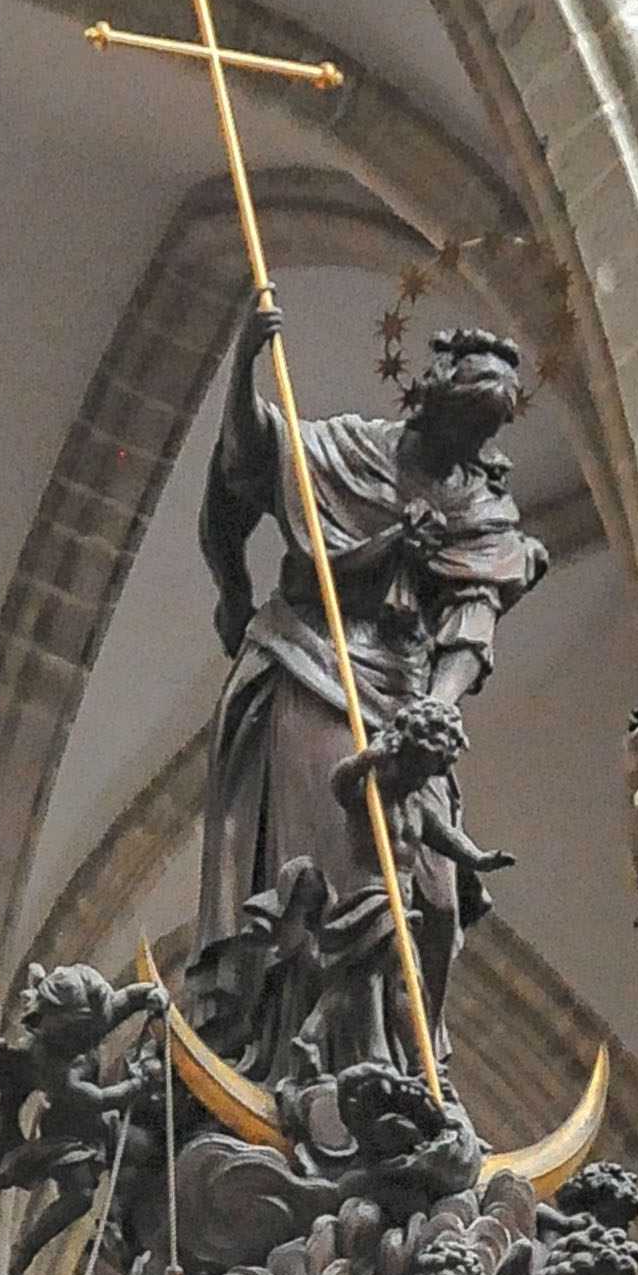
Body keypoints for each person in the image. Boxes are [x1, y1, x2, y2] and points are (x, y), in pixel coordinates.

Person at [194, 309, 544, 1082]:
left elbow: (471, 625)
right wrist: (244, 363)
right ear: (431, 397)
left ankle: (415, 1070)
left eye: (481, 437)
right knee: (328, 875)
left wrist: (436, 707)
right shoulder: (344, 450)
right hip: (311, 660)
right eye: (460, 427)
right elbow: (248, 457)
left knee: (435, 901)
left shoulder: (481, 507)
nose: (466, 452)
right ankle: (307, 1064)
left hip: (407, 694)